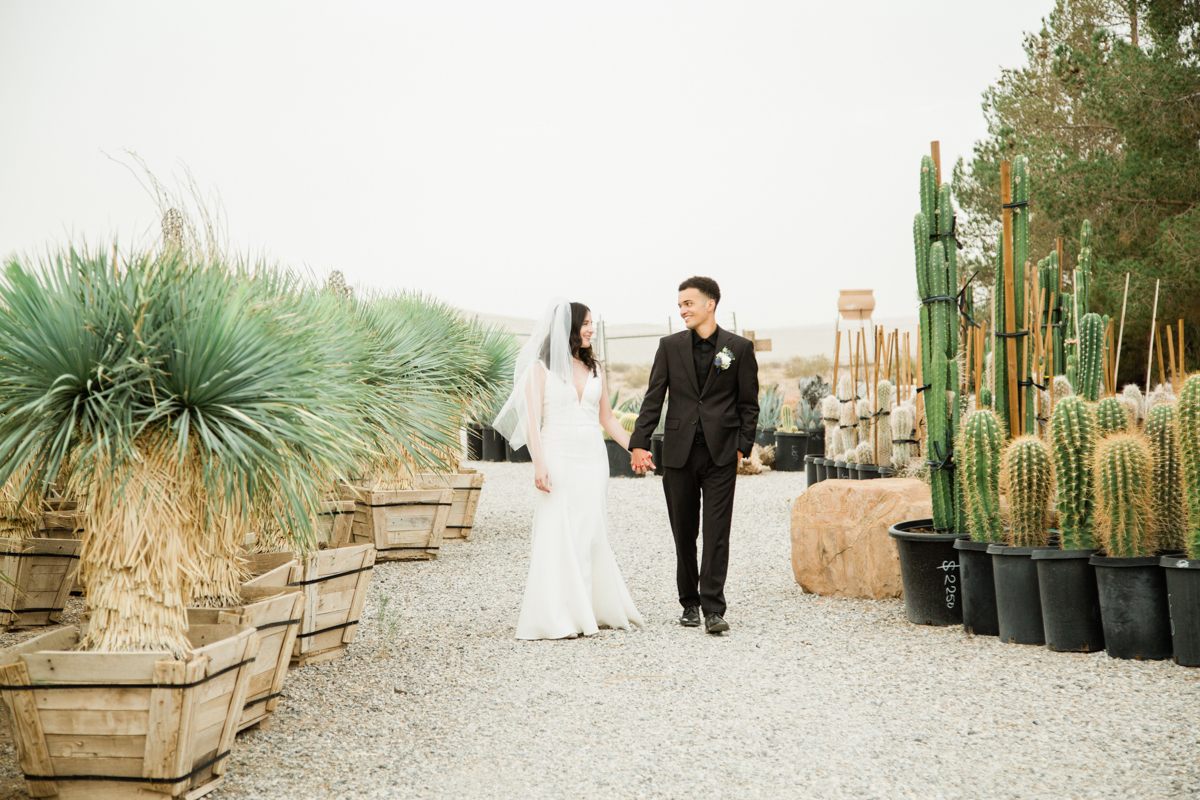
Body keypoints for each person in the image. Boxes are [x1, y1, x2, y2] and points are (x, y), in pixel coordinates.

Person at [493, 299, 645, 640]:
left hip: (593, 458)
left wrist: (635, 447)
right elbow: (533, 423)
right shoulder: (540, 370)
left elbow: (607, 417)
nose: (592, 328)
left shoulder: (596, 369)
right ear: (569, 328)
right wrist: (540, 464)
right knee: (558, 530)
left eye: (593, 323)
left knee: (590, 530)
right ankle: (557, 614)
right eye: (587, 323)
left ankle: (589, 608)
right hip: (557, 456)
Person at [629, 277, 758, 634]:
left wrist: (741, 447)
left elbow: (749, 404)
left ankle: (714, 608)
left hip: (720, 455)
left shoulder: (739, 349)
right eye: (680, 304)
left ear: (710, 304)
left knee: (717, 532)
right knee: (684, 532)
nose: (683, 309)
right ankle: (689, 603)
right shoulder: (669, 347)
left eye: (689, 303)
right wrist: (639, 441)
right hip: (678, 454)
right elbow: (654, 397)